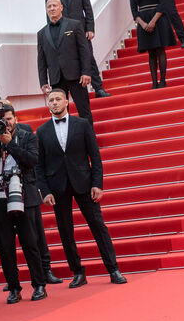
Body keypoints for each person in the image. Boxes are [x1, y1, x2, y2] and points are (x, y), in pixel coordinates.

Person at [34, 89, 126, 288]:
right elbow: (39, 166)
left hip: (84, 183)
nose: (54, 103)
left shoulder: (82, 124)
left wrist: (97, 184)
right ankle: (77, 272)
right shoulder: (41, 131)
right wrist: (45, 191)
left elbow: (95, 156)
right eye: (51, 100)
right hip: (57, 187)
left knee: (98, 226)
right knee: (65, 232)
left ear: (66, 101)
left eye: (58, 99)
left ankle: (113, 269)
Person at [0, 106, 45, 303]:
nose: (5, 123)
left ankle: (39, 284)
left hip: (23, 192)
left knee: (30, 242)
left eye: (9, 119)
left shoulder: (27, 136)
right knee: (5, 246)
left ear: (16, 119)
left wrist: (10, 143)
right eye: (2, 120)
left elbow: (31, 161)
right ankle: (14, 287)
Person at [45, 0, 108, 98]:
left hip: (81, 31)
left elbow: (88, 9)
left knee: (89, 58)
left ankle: (98, 88)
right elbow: (49, 16)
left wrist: (90, 28)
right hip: (62, 35)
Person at [37, 0, 96, 126]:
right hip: (56, 78)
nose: (52, 8)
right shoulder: (41, 33)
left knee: (84, 111)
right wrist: (43, 81)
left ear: (61, 7)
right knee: (60, 114)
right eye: (49, 6)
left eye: (55, 5)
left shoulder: (75, 25)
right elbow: (41, 59)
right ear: (46, 9)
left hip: (77, 76)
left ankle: (89, 138)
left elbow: (84, 51)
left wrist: (86, 72)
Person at [129, 0, 176, 89]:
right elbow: (134, 10)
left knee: (160, 50)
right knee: (151, 53)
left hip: (158, 20)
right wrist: (143, 24)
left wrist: (153, 21)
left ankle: (163, 81)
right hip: (143, 22)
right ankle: (154, 82)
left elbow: (163, 3)